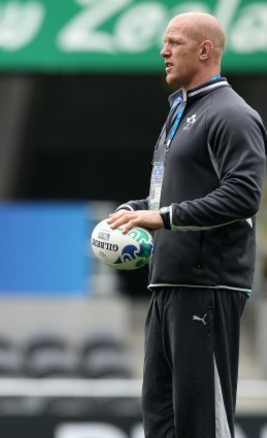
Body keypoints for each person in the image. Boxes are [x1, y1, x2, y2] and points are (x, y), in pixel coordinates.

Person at [107, 12, 267, 437]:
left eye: (174, 42)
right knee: (161, 421)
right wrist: (136, 209)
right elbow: (167, 201)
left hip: (207, 289)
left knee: (201, 425)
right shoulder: (179, 113)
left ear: (204, 49)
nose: (163, 51)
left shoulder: (232, 114)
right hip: (167, 284)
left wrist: (161, 217)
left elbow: (244, 196)